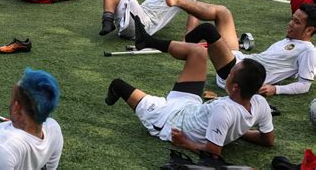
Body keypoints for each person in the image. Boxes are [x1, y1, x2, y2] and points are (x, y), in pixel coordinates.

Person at [105, 16, 274, 155]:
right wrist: (239, 131)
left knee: (118, 84)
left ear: (236, 87)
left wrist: (185, 143)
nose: (227, 74)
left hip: (169, 120)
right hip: (192, 107)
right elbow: (268, 140)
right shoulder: (260, 103)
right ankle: (148, 41)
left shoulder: (224, 111)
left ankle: (116, 90)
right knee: (198, 51)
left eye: (231, 73)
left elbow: (212, 153)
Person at [139, 0, 316, 96]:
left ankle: (151, 42)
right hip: (240, 59)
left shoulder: (308, 51)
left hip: (239, 76)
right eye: (293, 19)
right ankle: (176, 0)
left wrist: (276, 89)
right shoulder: (291, 41)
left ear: (309, 31)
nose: (290, 23)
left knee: (208, 31)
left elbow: (304, 85)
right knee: (223, 13)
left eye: (297, 22)